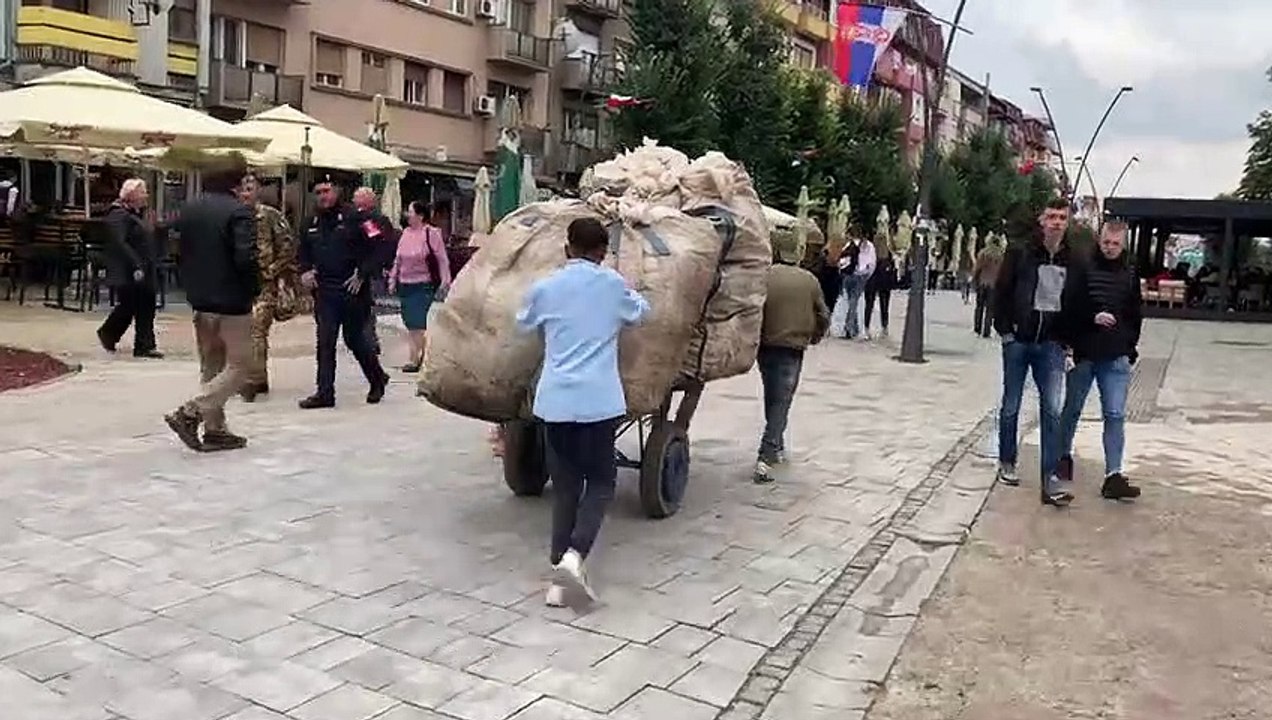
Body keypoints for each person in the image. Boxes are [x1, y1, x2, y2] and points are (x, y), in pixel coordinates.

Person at [516, 217, 649, 608]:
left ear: (567, 248)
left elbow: (523, 323)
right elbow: (641, 312)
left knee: (566, 488)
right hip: (598, 403)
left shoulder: (546, 287)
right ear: (603, 252)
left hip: (556, 402)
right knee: (602, 482)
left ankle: (559, 582)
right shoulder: (612, 285)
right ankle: (574, 557)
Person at [164, 163, 258, 451]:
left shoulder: (189, 209)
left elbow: (176, 250)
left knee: (212, 364)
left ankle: (215, 429)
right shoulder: (239, 212)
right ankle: (191, 411)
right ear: (234, 183)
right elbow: (245, 258)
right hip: (232, 301)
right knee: (241, 365)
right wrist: (254, 288)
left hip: (200, 299)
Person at [992, 196, 1074, 507]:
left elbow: (1075, 298)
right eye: (1051, 216)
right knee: (1011, 404)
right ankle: (1007, 460)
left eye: (1061, 218)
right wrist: (1006, 331)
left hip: (1051, 343)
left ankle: (1050, 477)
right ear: (1042, 220)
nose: (1056, 222)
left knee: (1052, 409)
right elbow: (1002, 290)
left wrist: (1067, 339)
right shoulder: (1021, 252)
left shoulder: (1071, 258)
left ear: (1067, 223)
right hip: (1019, 339)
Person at [1056, 220, 1143, 501]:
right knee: (1072, 408)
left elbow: (1135, 311)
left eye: (1115, 244)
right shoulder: (1082, 267)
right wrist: (1089, 319)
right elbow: (1068, 304)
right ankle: (1062, 457)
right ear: (1099, 239)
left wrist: (1129, 346)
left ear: (1123, 244)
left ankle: (1113, 474)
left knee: (1115, 414)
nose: (1110, 248)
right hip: (1084, 350)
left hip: (1116, 353)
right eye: (1106, 242)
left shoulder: (1130, 272)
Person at [297, 180, 390, 409]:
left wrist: (363, 273)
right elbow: (303, 251)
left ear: (337, 191)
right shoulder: (310, 222)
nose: (323, 196)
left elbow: (382, 245)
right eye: (318, 192)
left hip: (352, 290)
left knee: (354, 339)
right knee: (325, 341)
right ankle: (324, 393)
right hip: (324, 291)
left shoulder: (357, 217)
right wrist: (305, 270)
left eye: (326, 191)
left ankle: (377, 378)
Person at [753, 232, 830, 484]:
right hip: (793, 347)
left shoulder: (765, 276)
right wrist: (816, 336)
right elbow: (823, 315)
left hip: (765, 346)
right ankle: (766, 456)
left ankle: (777, 444)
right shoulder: (809, 280)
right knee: (782, 400)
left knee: (773, 395)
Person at [238, 173, 297, 402]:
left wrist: (272, 270)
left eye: (250, 188)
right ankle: (254, 376)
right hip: (239, 284)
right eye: (242, 188)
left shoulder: (270, 215)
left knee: (256, 330)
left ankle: (254, 380)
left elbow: (288, 246)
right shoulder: (234, 216)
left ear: (258, 191)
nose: (245, 193)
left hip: (264, 285)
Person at [96, 178, 162, 359]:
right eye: (142, 192)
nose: (146, 196)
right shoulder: (118, 214)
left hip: (144, 265)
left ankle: (142, 344)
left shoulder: (137, 214)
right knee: (131, 304)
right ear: (131, 195)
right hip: (129, 268)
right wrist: (136, 265)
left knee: (143, 304)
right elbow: (120, 243)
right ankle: (111, 334)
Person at [388, 200, 451, 372]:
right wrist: (393, 279)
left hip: (423, 283)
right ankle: (422, 354)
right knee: (409, 322)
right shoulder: (406, 233)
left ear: (420, 216)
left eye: (410, 211)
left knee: (418, 322)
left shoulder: (431, 233)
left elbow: (442, 258)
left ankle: (415, 358)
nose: (407, 215)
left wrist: (445, 280)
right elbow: (398, 259)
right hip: (404, 284)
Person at [351, 186, 396, 356]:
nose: (353, 200)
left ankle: (369, 341)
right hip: (358, 270)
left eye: (357, 197)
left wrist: (369, 268)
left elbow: (379, 245)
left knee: (367, 306)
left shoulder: (373, 220)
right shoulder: (354, 218)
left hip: (371, 272)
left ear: (368, 200)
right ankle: (364, 339)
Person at [863, 241, 894, 340]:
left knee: (869, 305)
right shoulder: (887, 257)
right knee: (884, 305)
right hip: (884, 282)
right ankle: (884, 327)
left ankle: (866, 328)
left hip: (872, 280)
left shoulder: (871, 254)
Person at [971, 242, 1003, 338]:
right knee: (990, 309)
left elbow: (977, 268)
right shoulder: (1000, 255)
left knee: (979, 307)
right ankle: (986, 330)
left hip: (982, 282)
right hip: (994, 284)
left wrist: (974, 279)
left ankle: (977, 328)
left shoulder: (983, 253)